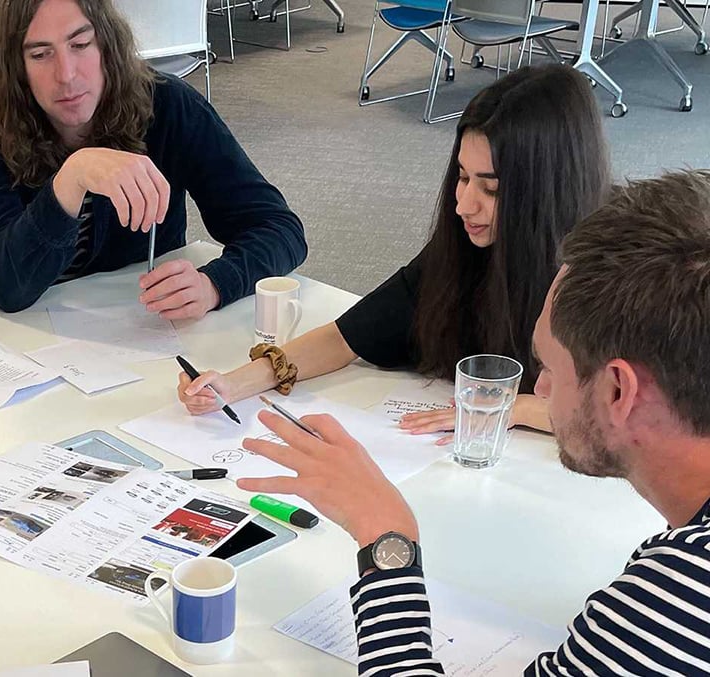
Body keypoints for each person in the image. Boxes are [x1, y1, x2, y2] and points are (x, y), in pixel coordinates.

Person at [240, 170, 710, 674]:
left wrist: (385, 536)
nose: (540, 391)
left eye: (550, 369)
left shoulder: (680, 595)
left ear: (618, 391)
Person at [179, 64, 611, 441]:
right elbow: (348, 335)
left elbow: (626, 418)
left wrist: (514, 407)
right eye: (462, 178)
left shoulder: (609, 272)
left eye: (492, 189)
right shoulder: (466, 246)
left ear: (548, 191)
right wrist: (233, 385)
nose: (463, 206)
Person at [0, 0, 306, 318]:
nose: (67, 75)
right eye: (40, 54)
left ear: (107, 43)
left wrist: (214, 284)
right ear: (16, 67)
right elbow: (7, 286)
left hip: (147, 329)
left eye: (80, 44)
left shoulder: (166, 104)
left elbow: (279, 229)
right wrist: (72, 178)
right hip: (32, 340)